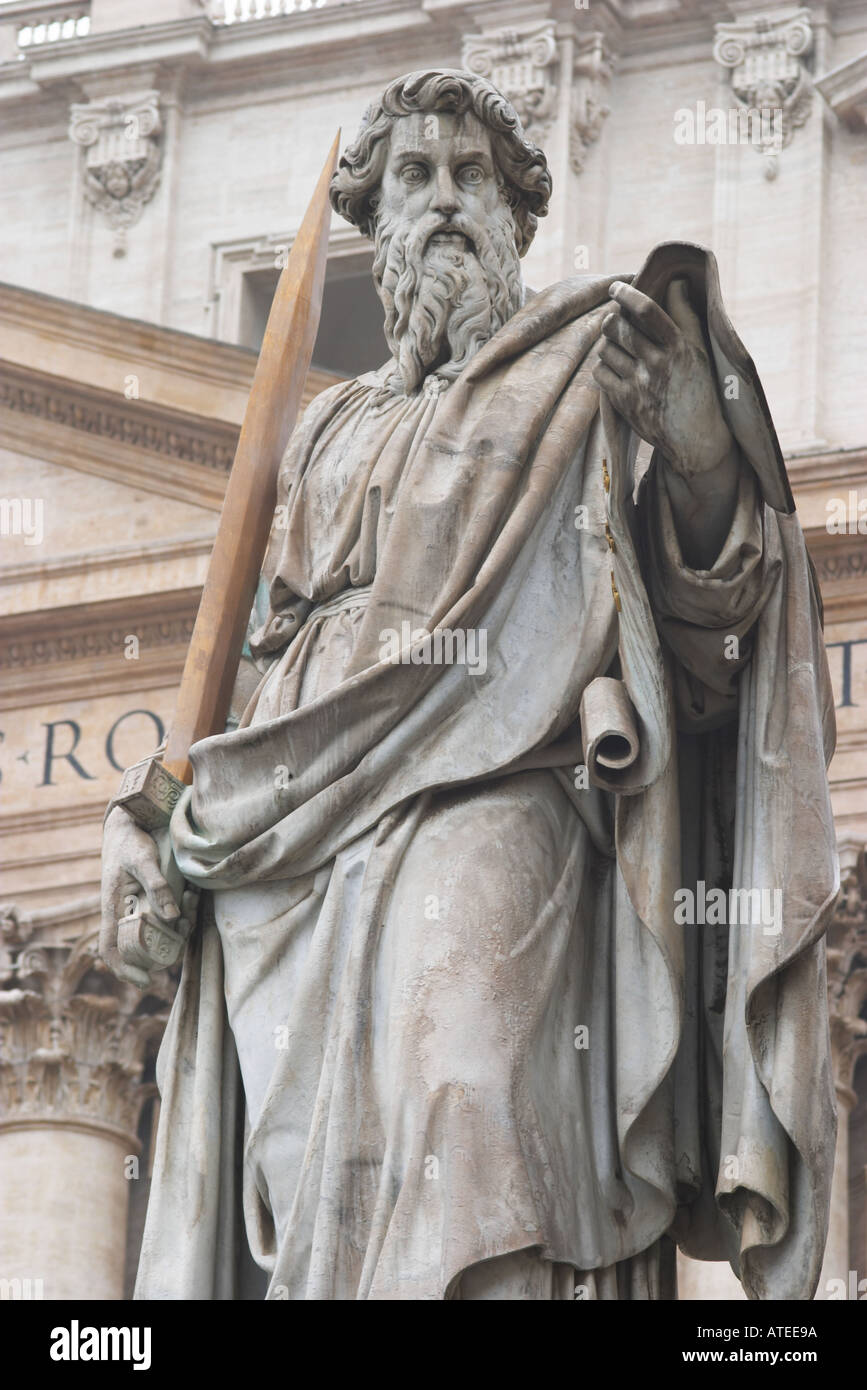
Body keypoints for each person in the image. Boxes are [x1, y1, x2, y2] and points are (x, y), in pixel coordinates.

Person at [101, 69, 838, 1300]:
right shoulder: (329, 435)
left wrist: (702, 462)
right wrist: (164, 807)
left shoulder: (577, 376)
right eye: (414, 177)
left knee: (471, 1086)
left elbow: (706, 631)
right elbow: (251, 659)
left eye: (471, 176)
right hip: (298, 834)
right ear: (374, 221)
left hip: (500, 778)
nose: (444, 200)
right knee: (327, 1167)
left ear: (515, 214)